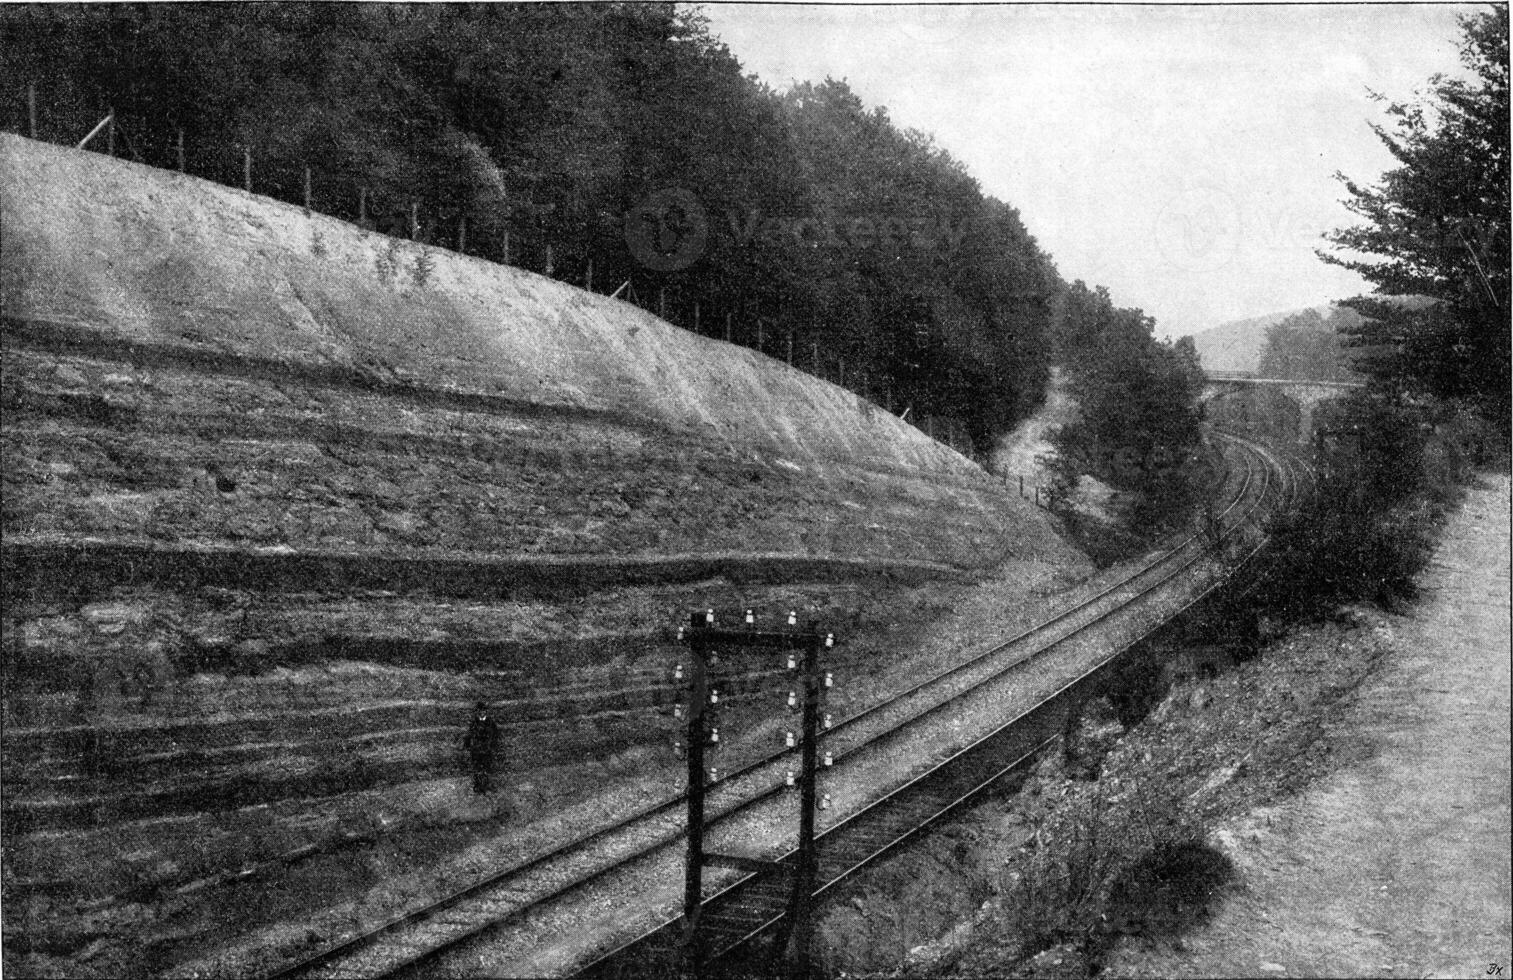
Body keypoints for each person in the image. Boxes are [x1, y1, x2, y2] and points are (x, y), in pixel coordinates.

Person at [463, 701, 500, 795]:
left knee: (487, 768)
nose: (482, 712)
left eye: (484, 710)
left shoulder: (491, 723)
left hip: (487, 749)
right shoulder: (473, 723)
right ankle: (478, 787)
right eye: (480, 710)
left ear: (486, 711)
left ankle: (487, 786)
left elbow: (495, 736)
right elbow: (469, 735)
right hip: (476, 750)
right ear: (477, 711)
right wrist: (468, 746)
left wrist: (493, 747)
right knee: (477, 768)